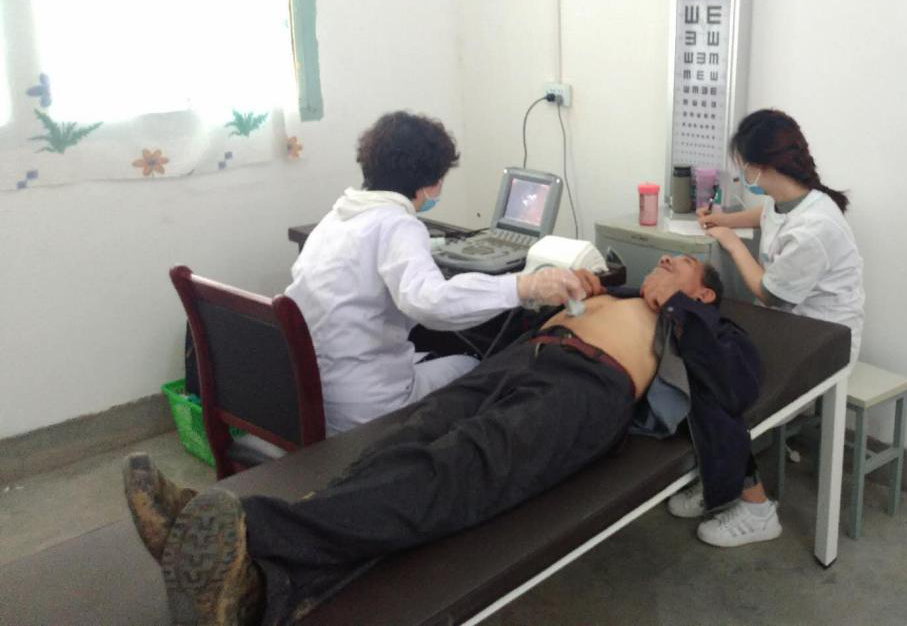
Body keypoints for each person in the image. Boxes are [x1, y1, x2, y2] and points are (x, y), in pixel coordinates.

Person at [123, 256, 760, 626]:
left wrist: (682, 311)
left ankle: (243, 527)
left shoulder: (709, 326)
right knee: (403, 445)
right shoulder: (615, 290)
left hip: (587, 389)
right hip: (519, 361)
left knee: (458, 466)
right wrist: (562, 286)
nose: (663, 264)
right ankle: (259, 587)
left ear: (704, 290)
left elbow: (735, 383)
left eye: (678, 265)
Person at [287, 111, 588, 433]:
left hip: (316, 398)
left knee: (431, 353)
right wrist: (524, 287)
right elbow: (431, 303)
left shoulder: (336, 218)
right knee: (474, 364)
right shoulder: (397, 225)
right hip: (368, 409)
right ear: (432, 182)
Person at [668, 108, 865, 548]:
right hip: (786, 325)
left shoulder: (815, 227)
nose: (743, 174)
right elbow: (764, 215)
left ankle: (756, 509)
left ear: (763, 166)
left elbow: (770, 293)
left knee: (725, 388)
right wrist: (723, 219)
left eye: (744, 166)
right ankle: (721, 479)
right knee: (701, 366)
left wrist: (731, 244)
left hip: (822, 339)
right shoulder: (790, 198)